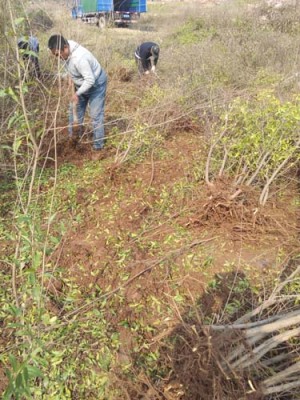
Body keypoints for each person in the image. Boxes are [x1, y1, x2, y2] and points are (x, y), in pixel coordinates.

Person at [48, 34, 107, 151]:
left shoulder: (80, 58)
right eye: (55, 55)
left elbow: (90, 80)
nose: (57, 57)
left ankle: (98, 146)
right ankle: (74, 141)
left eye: (58, 54)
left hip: (96, 84)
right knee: (74, 113)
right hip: (80, 84)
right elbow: (69, 67)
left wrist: (77, 93)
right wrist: (70, 77)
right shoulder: (66, 51)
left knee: (95, 115)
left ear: (65, 48)